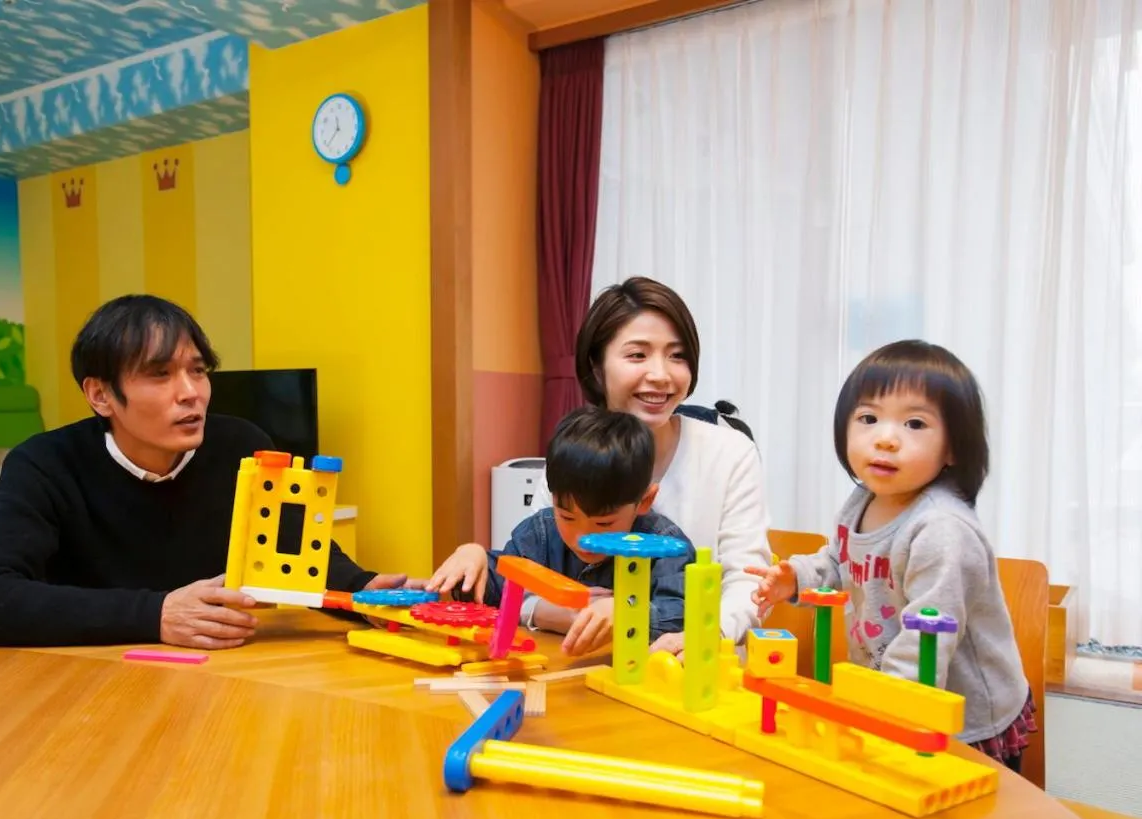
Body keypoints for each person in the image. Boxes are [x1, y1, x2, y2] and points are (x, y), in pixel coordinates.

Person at [0, 294, 413, 650]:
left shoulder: (241, 446)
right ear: (100, 395)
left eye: (197, 370)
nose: (191, 393)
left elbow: (295, 549)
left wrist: (362, 590)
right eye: (159, 375)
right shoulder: (45, 464)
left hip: (218, 675)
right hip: (89, 679)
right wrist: (156, 614)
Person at [747, 340, 1034, 771]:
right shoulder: (862, 499)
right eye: (868, 418)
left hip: (959, 717)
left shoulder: (941, 531)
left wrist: (881, 708)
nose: (885, 439)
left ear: (954, 447)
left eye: (915, 424)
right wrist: (797, 577)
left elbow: (926, 640)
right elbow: (842, 563)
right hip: (892, 697)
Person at [532, 277, 771, 652]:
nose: (661, 375)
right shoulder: (576, 448)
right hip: (581, 665)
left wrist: (708, 635)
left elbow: (748, 582)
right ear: (597, 367)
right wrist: (540, 611)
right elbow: (529, 568)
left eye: (677, 356)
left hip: (691, 668)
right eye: (637, 355)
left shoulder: (730, 452)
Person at [427, 406, 695, 657]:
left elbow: (685, 614)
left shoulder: (664, 544)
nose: (582, 538)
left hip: (629, 683)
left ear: (644, 501)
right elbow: (501, 588)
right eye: (567, 516)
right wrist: (474, 557)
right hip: (553, 670)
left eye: (604, 524)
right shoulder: (540, 532)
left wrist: (630, 612)